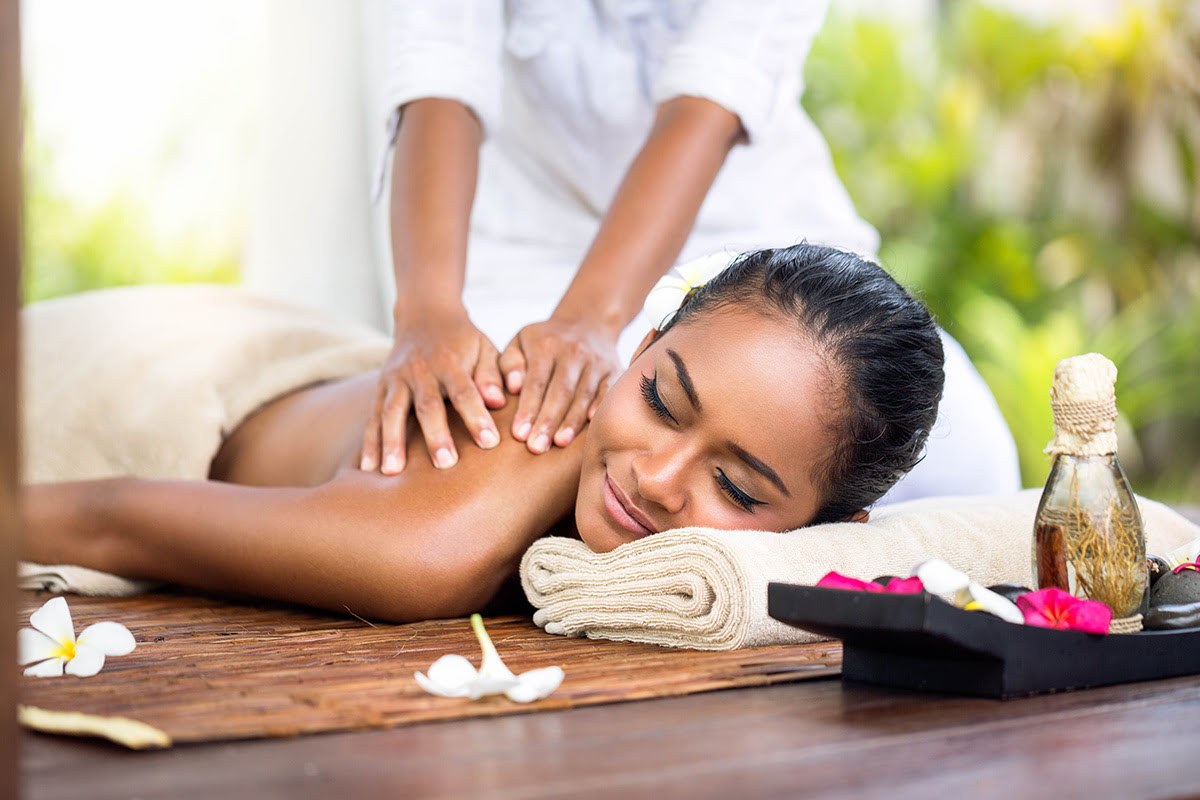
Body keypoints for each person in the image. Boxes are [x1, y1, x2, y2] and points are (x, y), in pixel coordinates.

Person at [21, 244, 943, 623]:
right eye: (661, 398)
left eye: (738, 489)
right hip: (120, 385)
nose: (659, 476)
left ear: (825, 531)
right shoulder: (437, 544)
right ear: (641, 347)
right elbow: (110, 516)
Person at [360, 1, 1022, 507]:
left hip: (754, 242)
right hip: (522, 239)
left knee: (969, 456)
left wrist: (591, 321)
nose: (657, 483)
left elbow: (708, 101)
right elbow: (439, 70)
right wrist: (427, 309)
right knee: (498, 452)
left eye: (736, 486)